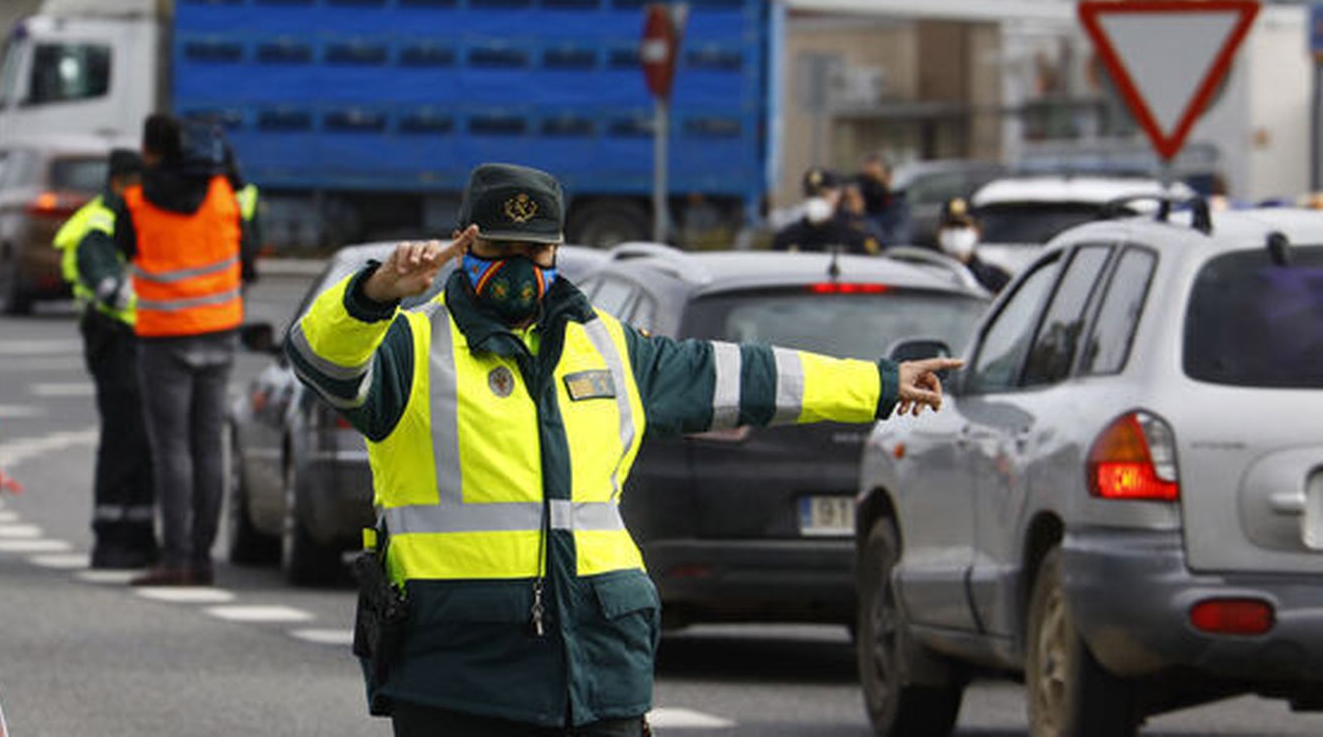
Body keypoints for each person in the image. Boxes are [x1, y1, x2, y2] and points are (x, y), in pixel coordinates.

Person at [286, 162, 960, 735]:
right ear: (466, 246)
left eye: (536, 251)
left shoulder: (607, 345)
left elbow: (746, 375)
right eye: (499, 250)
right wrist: (373, 296)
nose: (520, 270)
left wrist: (877, 383)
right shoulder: (409, 346)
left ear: (556, 249)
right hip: (456, 667)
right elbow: (320, 359)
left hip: (598, 659)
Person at [111, 114, 259, 587]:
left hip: (163, 335)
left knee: (171, 448)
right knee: (207, 445)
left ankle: (174, 558)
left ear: (149, 151)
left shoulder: (135, 200)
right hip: (218, 330)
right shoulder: (222, 194)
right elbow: (249, 259)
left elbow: (124, 249)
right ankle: (203, 558)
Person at [53, 148, 158, 570]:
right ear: (120, 182)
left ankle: (139, 534)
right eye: (137, 183)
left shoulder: (127, 214)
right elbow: (107, 285)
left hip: (137, 338)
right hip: (114, 338)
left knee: (141, 436)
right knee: (124, 436)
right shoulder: (100, 222)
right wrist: (162, 301)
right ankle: (112, 540)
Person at [771, 167, 881, 255]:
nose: (816, 200)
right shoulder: (787, 237)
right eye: (811, 195)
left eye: (823, 195)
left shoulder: (853, 237)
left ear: (837, 197)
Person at [936, 196, 1010, 294]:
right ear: (938, 232)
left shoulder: (996, 280)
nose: (956, 233)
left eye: (962, 227)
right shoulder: (929, 274)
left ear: (978, 232)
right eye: (951, 226)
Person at [856, 153, 909, 248]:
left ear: (888, 178)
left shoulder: (898, 208)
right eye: (865, 178)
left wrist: (862, 216)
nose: (869, 183)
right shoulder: (855, 204)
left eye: (874, 177)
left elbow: (896, 243)